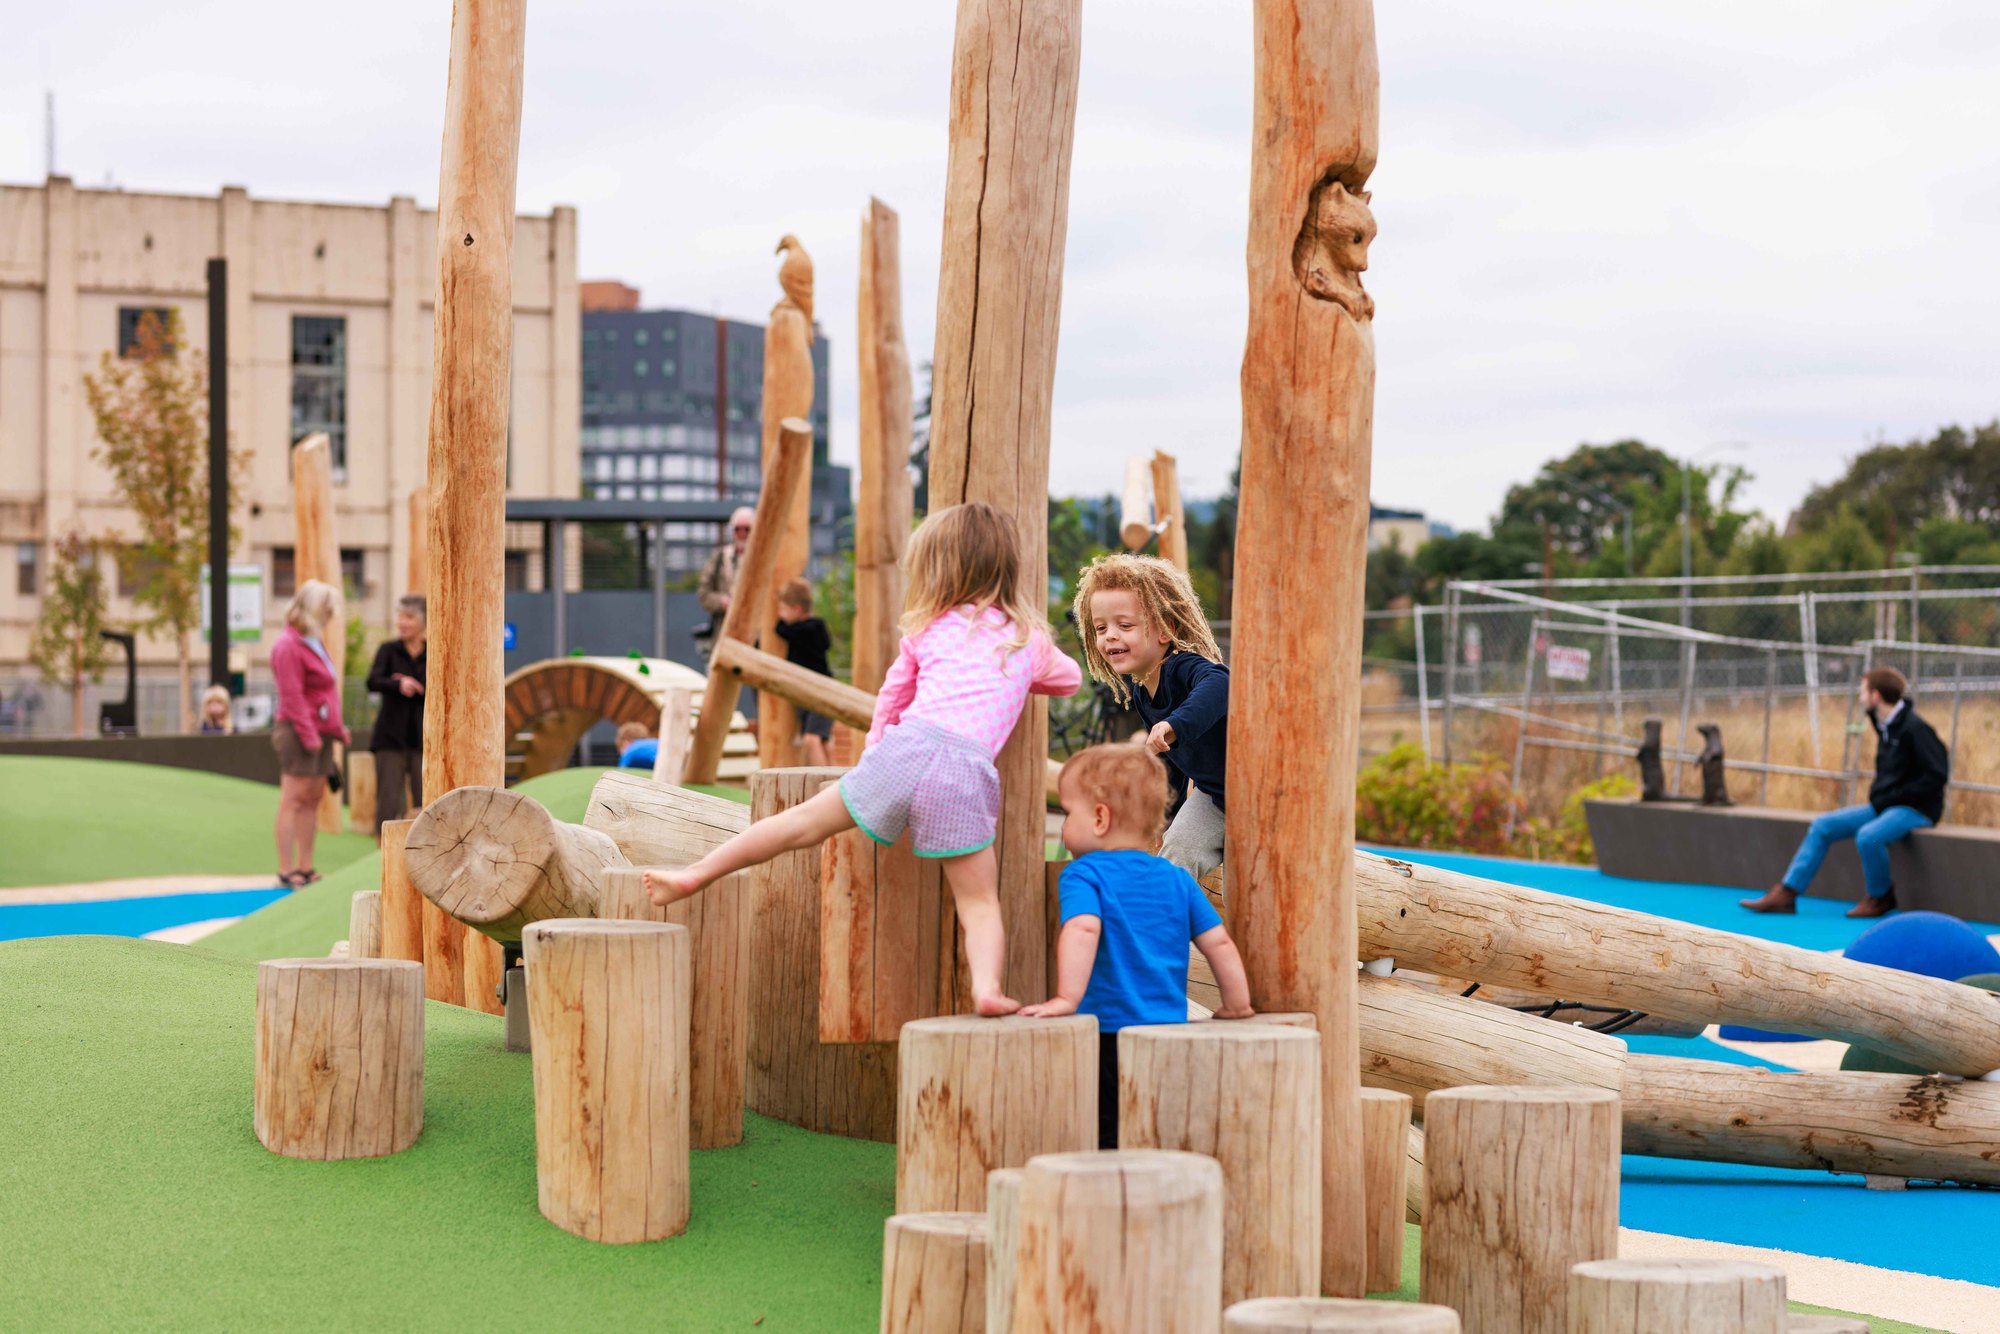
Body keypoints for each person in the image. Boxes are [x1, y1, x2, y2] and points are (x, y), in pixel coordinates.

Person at [645, 501, 1082, 1015]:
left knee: (801, 823)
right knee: (979, 900)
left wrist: (875, 755)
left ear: (938, 569)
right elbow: (1069, 680)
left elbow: (891, 700)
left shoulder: (927, 629)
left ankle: (696, 873)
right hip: (964, 767)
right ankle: (985, 989)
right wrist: (1023, 670)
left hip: (906, 747)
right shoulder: (1025, 640)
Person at [1023, 743, 1254, 1148]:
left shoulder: (1085, 875)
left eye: (1067, 813)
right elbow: (1218, 943)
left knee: (1107, 1133)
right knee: (1157, 1128)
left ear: (1099, 818)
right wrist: (1236, 1004)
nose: (1063, 826)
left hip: (1108, 1033)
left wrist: (1065, 998)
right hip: (1168, 1031)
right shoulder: (1176, 879)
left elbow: (1083, 930)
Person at [1741, 667, 1950, 919]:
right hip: (1886, 805)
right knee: (1823, 826)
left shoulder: (1915, 728)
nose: (1859, 697)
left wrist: (1899, 795)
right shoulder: (1886, 724)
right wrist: (1887, 797)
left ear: (1875, 696)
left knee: (1869, 836)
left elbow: (1937, 774)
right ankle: (1787, 893)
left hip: (1915, 809)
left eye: (1862, 692)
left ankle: (1880, 897)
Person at [1072, 554, 1231, 878]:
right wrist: (1162, 819)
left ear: (1165, 630)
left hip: (1256, 794)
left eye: (1125, 625)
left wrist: (1175, 724)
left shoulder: (1183, 666)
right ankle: (1157, 925)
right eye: (1101, 628)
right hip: (1215, 798)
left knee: (1244, 889)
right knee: (1175, 852)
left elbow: (1221, 682)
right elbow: (1170, 764)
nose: (1110, 636)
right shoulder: (1143, 691)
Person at [270, 579, 349, 889]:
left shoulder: (313, 640)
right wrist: (309, 735)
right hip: (299, 733)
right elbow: (293, 696)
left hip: (322, 733)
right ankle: (286, 868)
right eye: (326, 610)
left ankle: (305, 865)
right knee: (294, 798)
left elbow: (324, 692)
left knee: (313, 798)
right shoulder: (288, 645)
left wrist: (337, 729)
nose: (329, 616)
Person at [364, 594, 427, 828]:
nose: (402, 622)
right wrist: (397, 684)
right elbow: (372, 681)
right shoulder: (388, 650)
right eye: (400, 617)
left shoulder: (433, 652)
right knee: (389, 803)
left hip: (422, 740)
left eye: (409, 617)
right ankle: (382, 855)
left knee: (427, 801)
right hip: (390, 739)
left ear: (422, 621)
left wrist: (416, 686)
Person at [773, 576, 835, 766]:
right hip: (812, 692)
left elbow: (780, 629)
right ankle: (835, 779)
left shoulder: (803, 630)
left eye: (783, 609)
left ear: (797, 610)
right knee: (823, 740)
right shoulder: (818, 627)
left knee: (811, 739)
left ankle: (826, 787)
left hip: (820, 690)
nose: (779, 614)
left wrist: (781, 622)